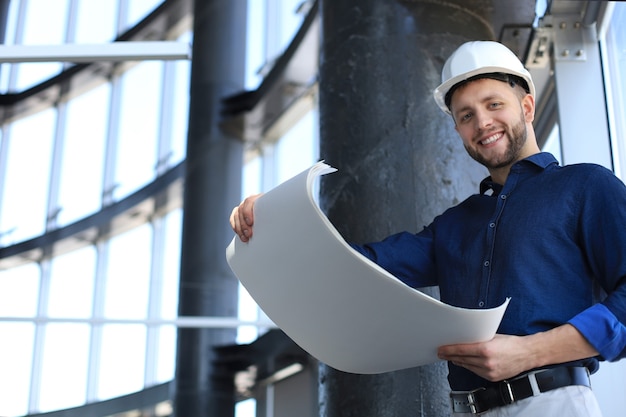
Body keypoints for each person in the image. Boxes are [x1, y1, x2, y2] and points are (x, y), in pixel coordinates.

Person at [230, 41, 626, 416]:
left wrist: (530, 352)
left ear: (526, 106)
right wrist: (274, 222)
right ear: (457, 130)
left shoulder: (587, 186)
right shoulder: (454, 225)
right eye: (466, 116)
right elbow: (357, 264)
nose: (482, 122)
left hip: (552, 405)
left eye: (494, 104)